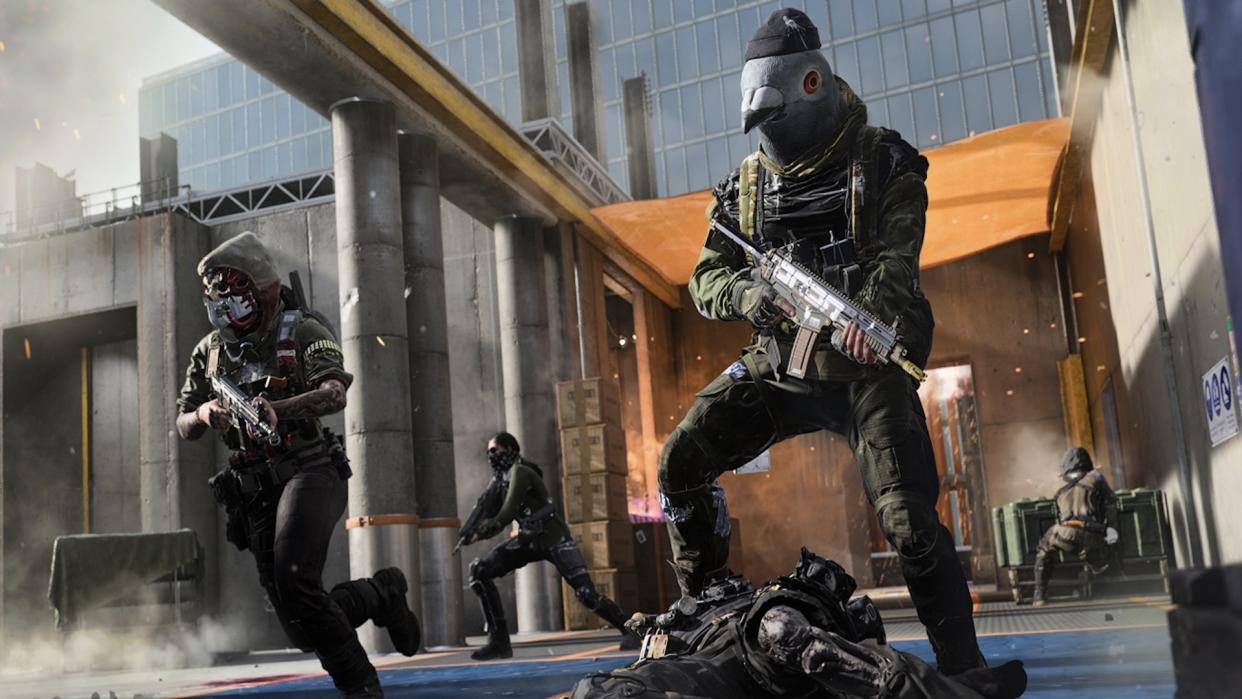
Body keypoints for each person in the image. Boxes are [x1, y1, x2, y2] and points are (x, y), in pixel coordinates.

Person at [658, 8, 984, 674]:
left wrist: (869, 318)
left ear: (812, 85)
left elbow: (898, 260)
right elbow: (706, 276)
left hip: (866, 370)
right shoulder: (744, 192)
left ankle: (963, 663)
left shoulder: (883, 163)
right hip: (780, 365)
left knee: (909, 521)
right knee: (680, 464)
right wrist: (749, 294)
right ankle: (710, 607)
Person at [176, 231, 420, 698]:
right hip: (254, 490)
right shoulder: (209, 352)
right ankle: (382, 593)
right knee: (302, 628)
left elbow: (335, 392)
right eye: (215, 295)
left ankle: (361, 687)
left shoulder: (301, 329)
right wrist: (205, 413)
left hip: (309, 469)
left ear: (259, 287)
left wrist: (278, 409)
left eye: (232, 292)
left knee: (295, 578)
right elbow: (183, 423)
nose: (223, 304)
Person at [571, 549, 1028, 699]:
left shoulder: (747, 606)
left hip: (755, 656)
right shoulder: (688, 617)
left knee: (783, 632)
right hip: (631, 687)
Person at [461, 431, 641, 660]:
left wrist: (484, 530)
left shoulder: (522, 471)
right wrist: (470, 529)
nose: (491, 456)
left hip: (554, 538)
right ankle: (499, 642)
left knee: (587, 595)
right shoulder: (500, 481)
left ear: (510, 449)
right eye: (489, 452)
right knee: (479, 571)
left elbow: (506, 512)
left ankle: (630, 630)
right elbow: (486, 507)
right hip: (529, 540)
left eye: (495, 450)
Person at [1031, 447, 1118, 606]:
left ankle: (1040, 594)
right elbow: (1112, 501)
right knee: (1096, 553)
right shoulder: (1096, 477)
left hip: (1066, 535)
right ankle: (1095, 567)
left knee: (1044, 547)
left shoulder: (1057, 483)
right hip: (1094, 534)